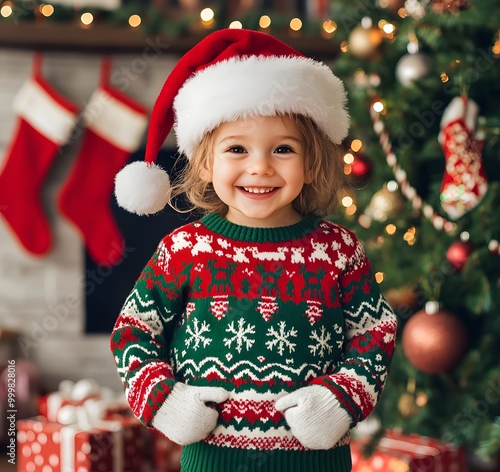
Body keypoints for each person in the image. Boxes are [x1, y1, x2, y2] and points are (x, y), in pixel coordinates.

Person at [111, 28, 397, 472]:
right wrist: (164, 401)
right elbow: (134, 330)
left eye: (283, 148)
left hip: (317, 462)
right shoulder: (186, 249)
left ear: (311, 159)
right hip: (214, 460)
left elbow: (374, 333)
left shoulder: (337, 250)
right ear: (206, 162)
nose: (259, 166)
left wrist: (341, 399)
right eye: (237, 149)